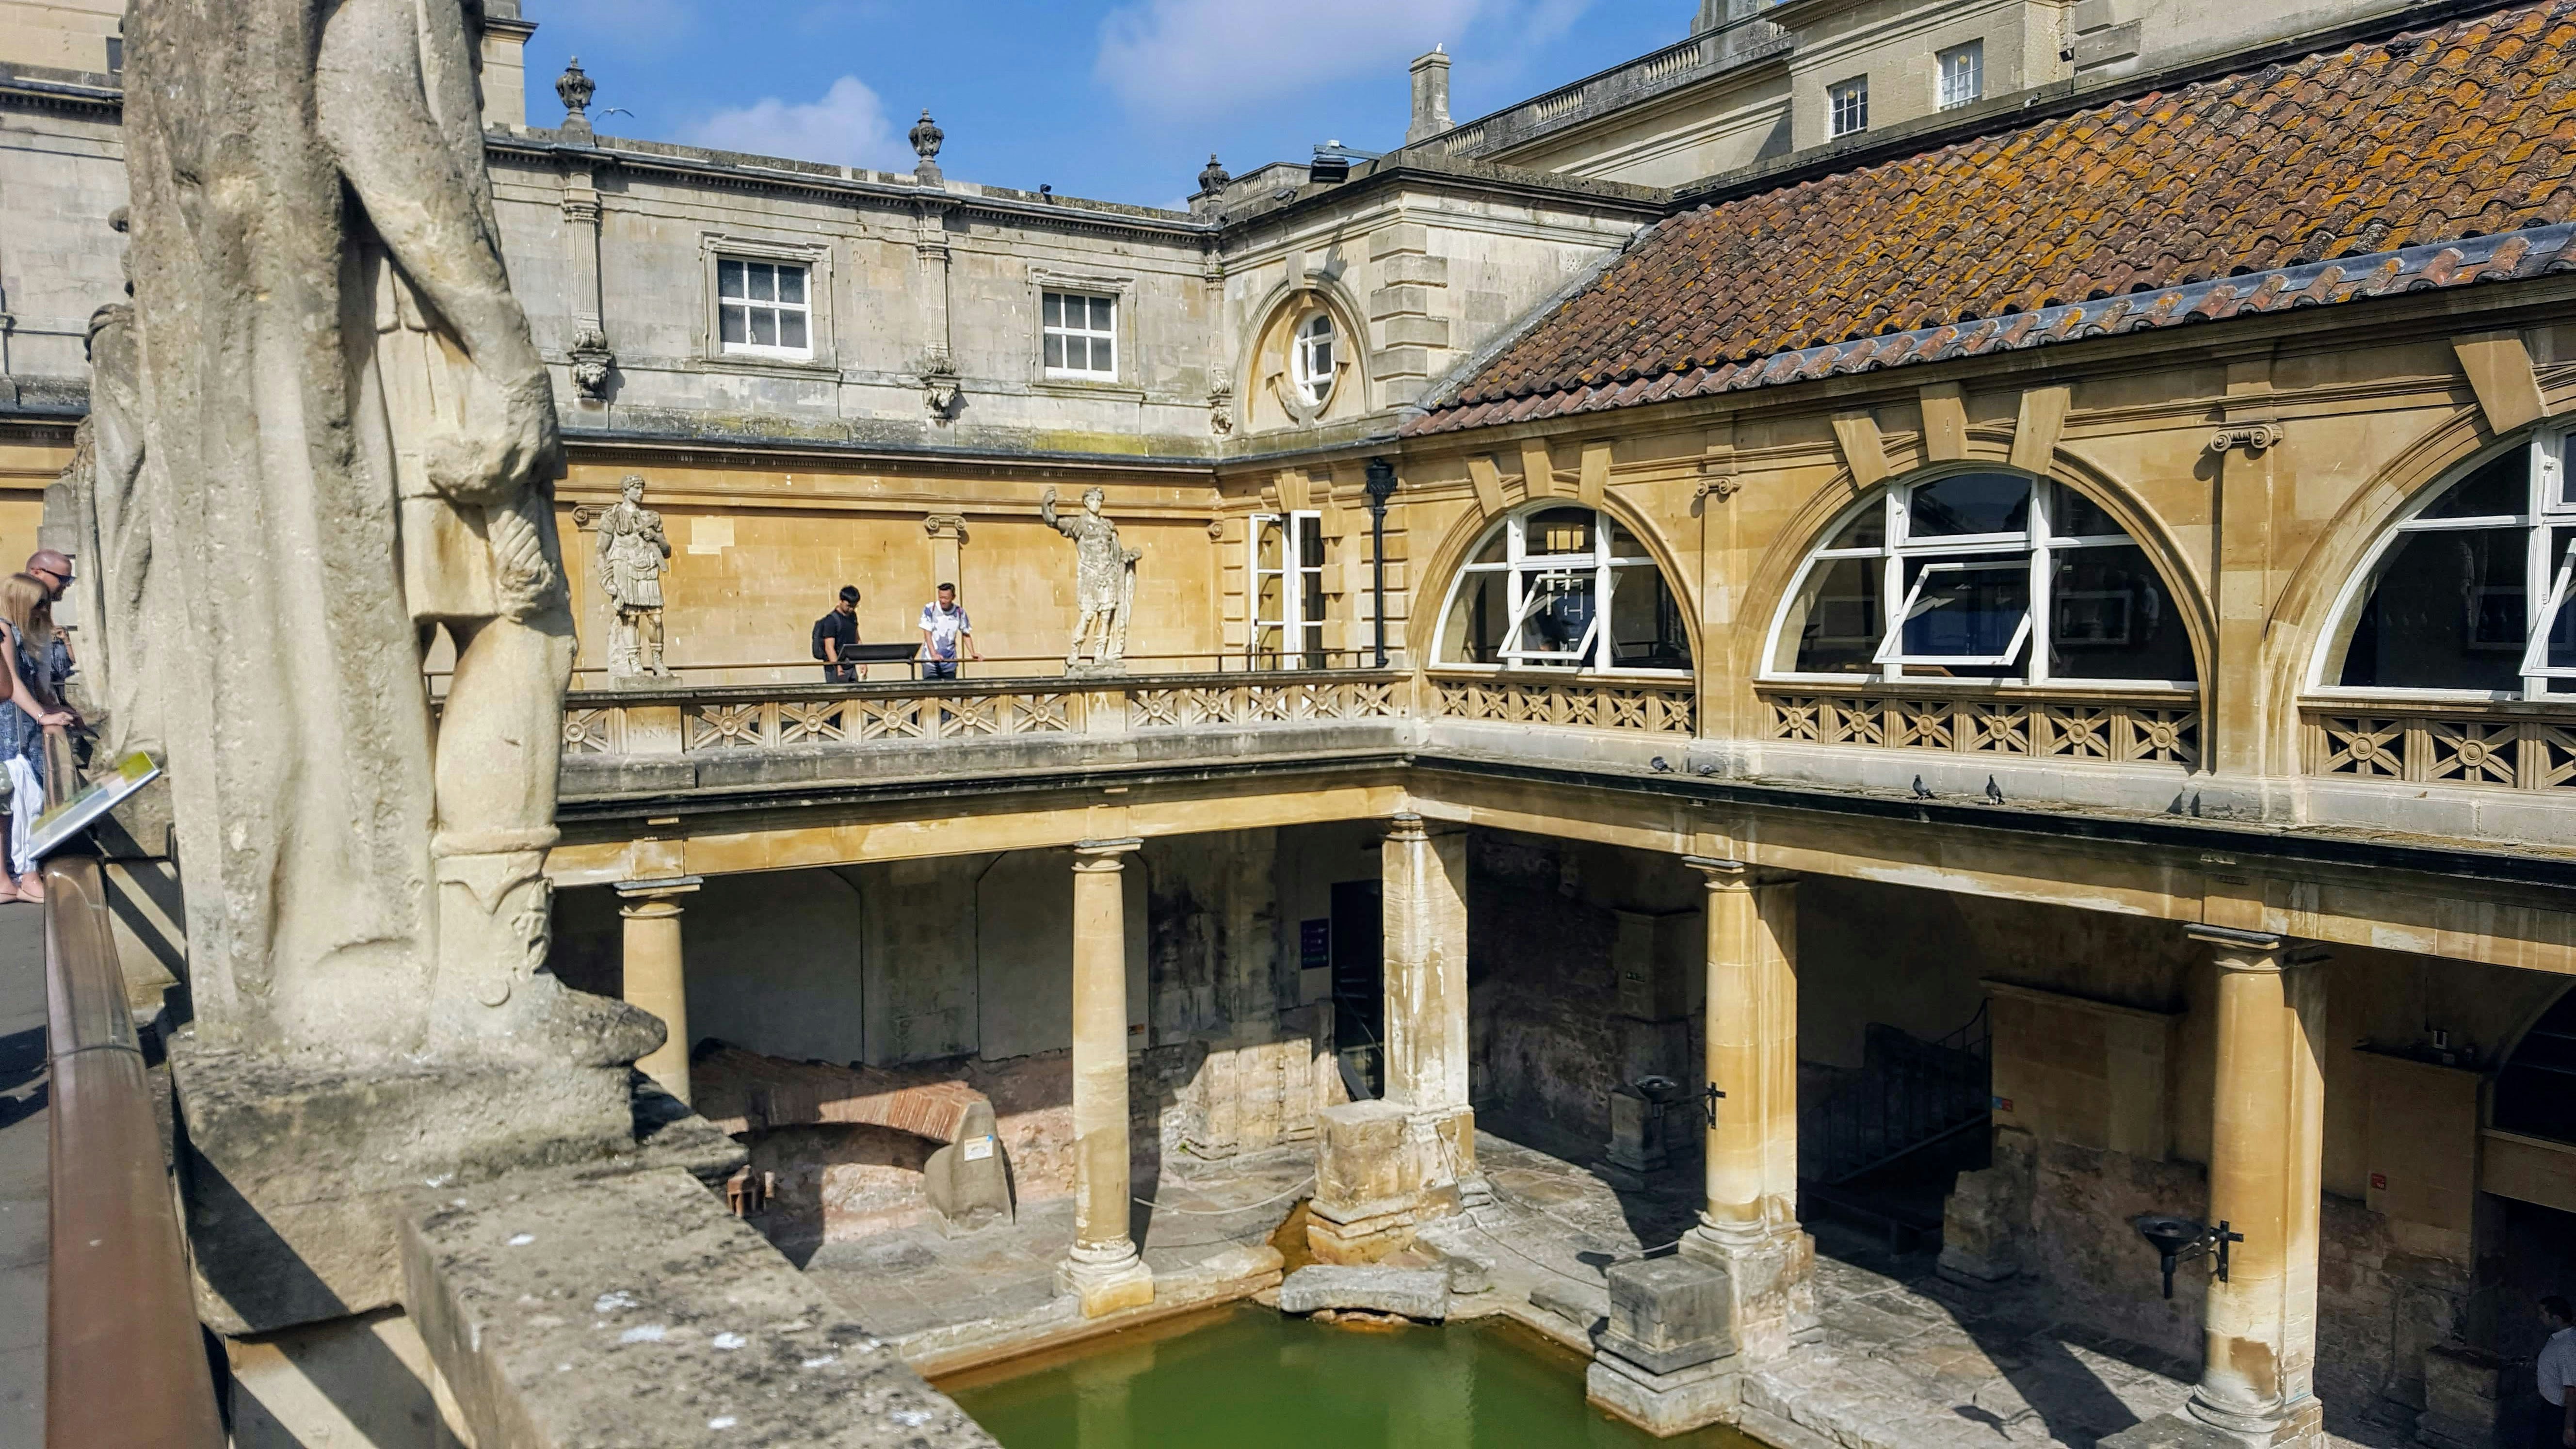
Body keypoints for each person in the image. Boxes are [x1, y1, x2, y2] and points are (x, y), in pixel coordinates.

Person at [0, 575, 73, 903]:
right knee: (22, 799)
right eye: (39, 604)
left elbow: (33, 684)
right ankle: (24, 875)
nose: (46, 609)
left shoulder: (23, 631)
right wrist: (44, 716)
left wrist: (54, 709)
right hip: (10, 732)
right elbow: (13, 685)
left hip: (22, 728)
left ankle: (22, 875)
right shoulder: (5, 630)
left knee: (30, 799)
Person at [24, 549, 76, 692]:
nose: (67, 585)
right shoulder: (13, 614)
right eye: (63, 579)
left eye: (70, 580)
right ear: (37, 572)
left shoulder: (43, 610)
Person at [917, 582, 979, 680]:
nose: (943, 601)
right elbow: (927, 634)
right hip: (931, 662)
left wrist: (973, 653)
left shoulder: (959, 612)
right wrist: (934, 654)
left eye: (946, 598)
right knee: (931, 688)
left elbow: (966, 634)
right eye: (940, 597)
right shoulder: (930, 609)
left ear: (953, 597)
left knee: (949, 688)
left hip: (950, 662)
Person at [2541, 1295, 2575, 1449]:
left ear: (2556, 1318)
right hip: (2550, 1407)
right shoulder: (2558, 1339)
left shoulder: (2567, 1346)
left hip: (2559, 1413)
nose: (2540, 1318)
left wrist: (2569, 1427)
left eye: (2543, 1314)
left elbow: (2572, 1390)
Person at [812, 585, 865, 683]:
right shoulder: (831, 621)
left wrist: (863, 662)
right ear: (841, 601)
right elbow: (829, 647)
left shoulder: (852, 617)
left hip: (850, 664)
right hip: (834, 666)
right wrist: (838, 668)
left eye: (854, 607)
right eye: (848, 606)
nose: (851, 609)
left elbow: (857, 639)